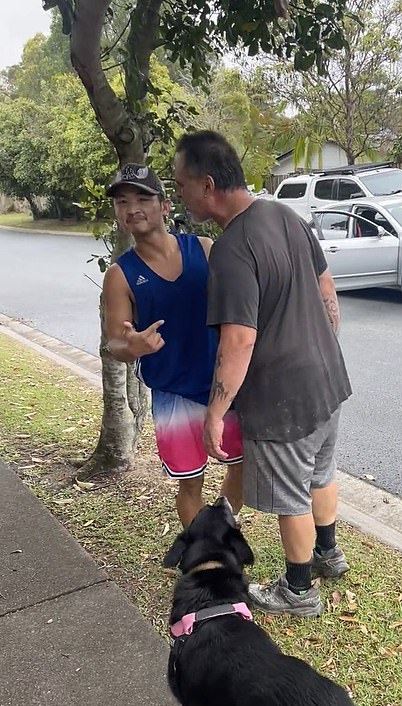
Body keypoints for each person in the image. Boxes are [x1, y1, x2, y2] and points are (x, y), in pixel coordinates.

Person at [173, 131, 352, 618]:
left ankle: (298, 591)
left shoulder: (232, 249)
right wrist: (323, 346)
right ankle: (327, 553)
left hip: (281, 397)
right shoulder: (283, 213)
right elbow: (325, 286)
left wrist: (215, 412)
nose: (180, 195)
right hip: (327, 379)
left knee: (291, 493)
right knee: (322, 470)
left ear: (207, 185)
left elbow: (238, 339)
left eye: (182, 184)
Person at [102, 163, 243, 528]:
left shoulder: (205, 249)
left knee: (242, 468)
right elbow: (115, 342)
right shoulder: (120, 274)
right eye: (121, 201)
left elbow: (240, 311)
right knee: (190, 484)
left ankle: (218, 536)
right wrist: (133, 345)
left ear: (165, 206)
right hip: (173, 393)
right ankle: (204, 559)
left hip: (222, 387)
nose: (132, 207)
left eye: (142, 198)